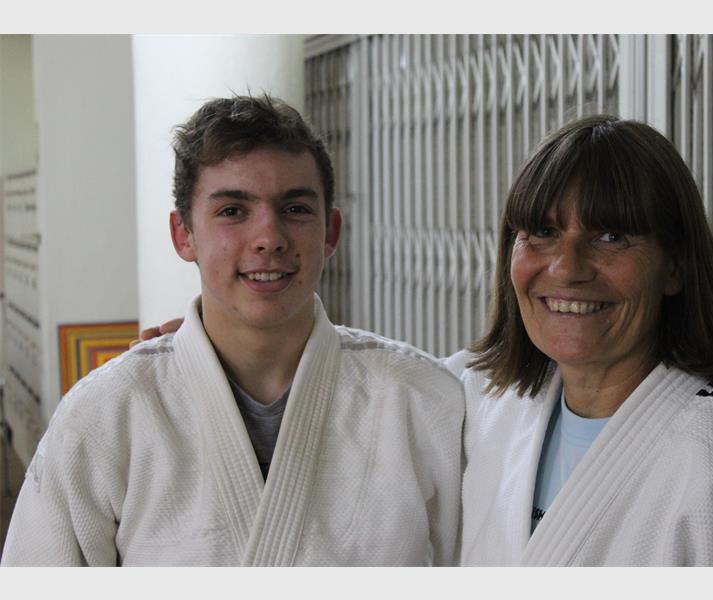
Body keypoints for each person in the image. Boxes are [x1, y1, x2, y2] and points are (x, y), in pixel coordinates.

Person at [1, 94, 464, 566]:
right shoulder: (108, 413)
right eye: (232, 211)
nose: (269, 238)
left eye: (295, 209)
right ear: (184, 235)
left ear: (331, 232)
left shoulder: (420, 400)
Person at [446, 114, 713, 566]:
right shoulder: (479, 406)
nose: (567, 268)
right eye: (545, 233)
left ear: (675, 266)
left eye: (611, 236)